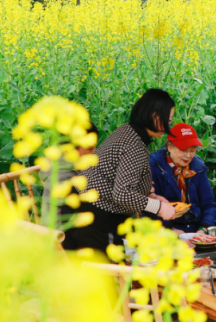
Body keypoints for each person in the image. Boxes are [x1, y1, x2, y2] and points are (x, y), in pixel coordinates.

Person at [64, 89, 178, 252]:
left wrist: (151, 195)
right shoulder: (134, 145)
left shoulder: (128, 131)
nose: (168, 127)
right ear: (153, 116)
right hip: (94, 218)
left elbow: (119, 177)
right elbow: (122, 194)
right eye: (167, 121)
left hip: (80, 208)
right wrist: (158, 208)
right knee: (105, 275)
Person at [149, 123, 216, 234]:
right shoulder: (153, 166)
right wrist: (171, 230)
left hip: (195, 231)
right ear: (170, 147)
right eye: (184, 150)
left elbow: (208, 204)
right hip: (163, 233)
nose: (188, 156)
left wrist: (203, 229)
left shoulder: (198, 167)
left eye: (192, 150)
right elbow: (148, 206)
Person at [41, 122, 98, 225]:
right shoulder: (62, 179)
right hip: (60, 236)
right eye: (89, 149)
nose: (95, 153)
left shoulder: (64, 160)